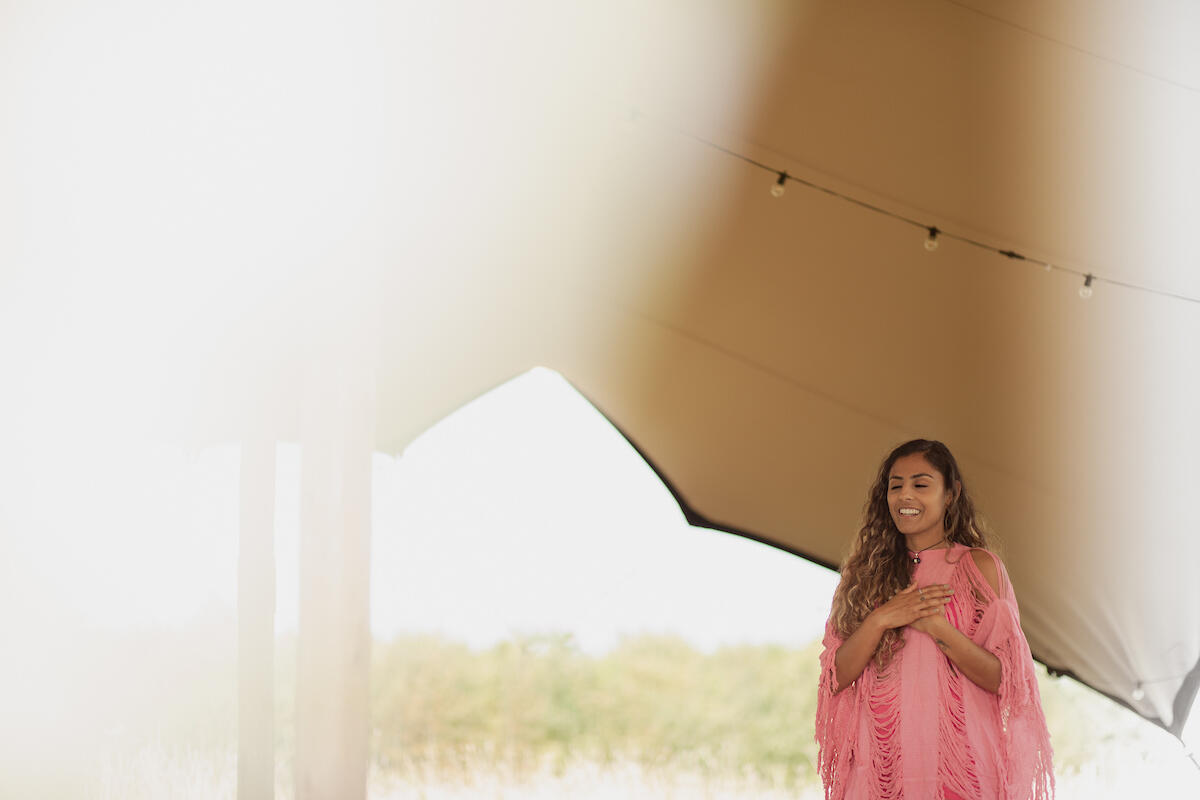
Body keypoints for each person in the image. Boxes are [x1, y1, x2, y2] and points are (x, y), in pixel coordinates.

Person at [815, 439, 1054, 800]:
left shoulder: (979, 568)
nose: (905, 496)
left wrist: (938, 628)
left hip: (962, 774)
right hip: (880, 774)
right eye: (895, 486)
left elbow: (1006, 679)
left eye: (921, 484)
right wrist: (881, 619)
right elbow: (836, 675)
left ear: (950, 494)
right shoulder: (862, 575)